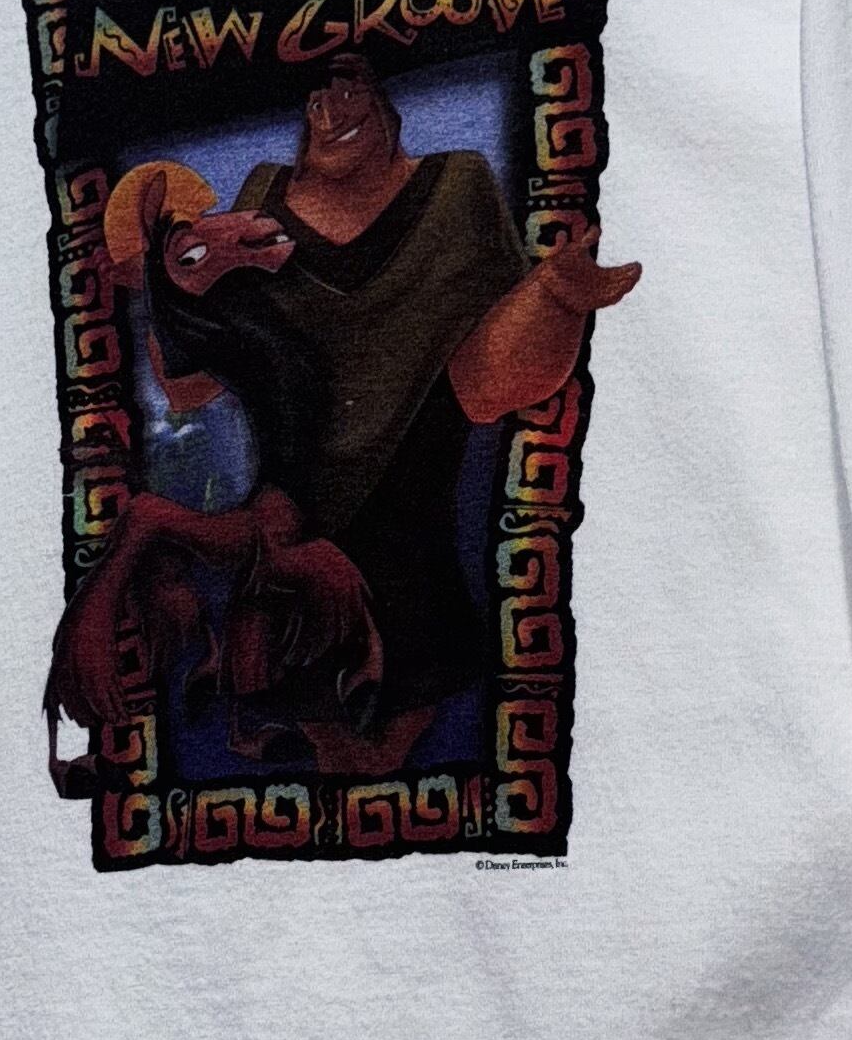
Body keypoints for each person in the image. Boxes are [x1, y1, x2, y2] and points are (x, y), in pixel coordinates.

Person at [52, 52, 641, 779]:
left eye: (347, 84)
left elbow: (494, 376)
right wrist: (169, 290)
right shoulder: (263, 197)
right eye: (313, 96)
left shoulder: (456, 186)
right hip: (308, 507)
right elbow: (190, 384)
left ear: (382, 98)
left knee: (393, 724)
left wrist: (553, 297)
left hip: (417, 495)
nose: (329, 110)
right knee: (337, 727)